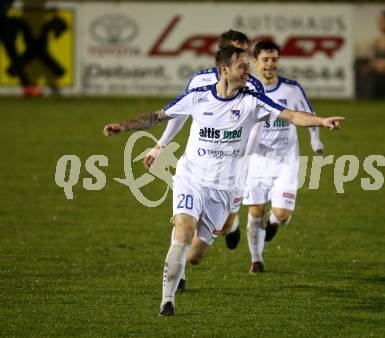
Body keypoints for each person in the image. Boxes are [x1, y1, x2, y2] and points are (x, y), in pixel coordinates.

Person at [103, 46, 344, 316]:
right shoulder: (198, 97)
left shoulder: (253, 101)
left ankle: (189, 255)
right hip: (191, 178)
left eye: (248, 66)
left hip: (224, 189)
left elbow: (290, 115)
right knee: (182, 233)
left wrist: (321, 121)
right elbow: (158, 116)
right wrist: (123, 127)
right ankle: (166, 301)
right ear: (224, 69)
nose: (248, 71)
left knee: (194, 257)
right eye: (242, 66)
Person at [104, 30, 263, 293]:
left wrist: (248, 155)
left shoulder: (251, 86)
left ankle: (232, 224)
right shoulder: (199, 83)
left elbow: (258, 123)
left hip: (235, 166)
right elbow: (177, 114)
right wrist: (159, 146)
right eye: (240, 53)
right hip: (199, 164)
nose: (246, 59)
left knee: (222, 226)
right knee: (183, 219)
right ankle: (178, 275)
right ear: (224, 57)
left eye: (247, 53)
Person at [242, 41, 322, 273]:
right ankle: (256, 260)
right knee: (255, 209)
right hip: (256, 159)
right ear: (255, 62)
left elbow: (309, 115)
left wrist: (316, 141)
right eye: (265, 60)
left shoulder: (291, 89)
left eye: (274, 59)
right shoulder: (246, 90)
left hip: (286, 161)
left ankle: (274, 222)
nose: (270, 64)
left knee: (283, 214)